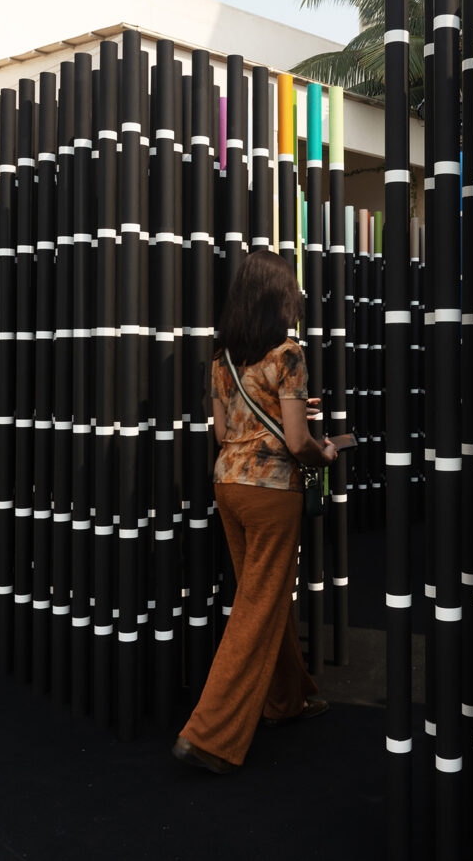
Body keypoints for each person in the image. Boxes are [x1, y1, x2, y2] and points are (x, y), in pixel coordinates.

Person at [172, 249, 338, 774]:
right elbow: (296, 440)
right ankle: (208, 736)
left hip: (228, 486)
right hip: (271, 492)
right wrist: (324, 451)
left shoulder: (222, 359)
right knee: (256, 607)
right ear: (279, 297)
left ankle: (287, 699)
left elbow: (221, 433)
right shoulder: (288, 355)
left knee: (261, 598)